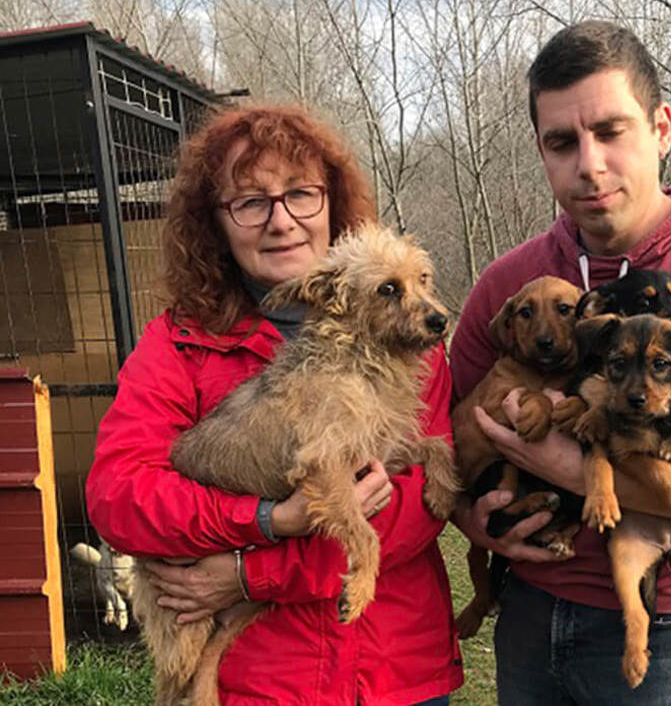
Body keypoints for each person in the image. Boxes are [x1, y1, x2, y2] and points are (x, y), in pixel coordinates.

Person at [450, 20, 671, 705]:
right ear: (541, 150)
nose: (589, 164)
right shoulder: (511, 284)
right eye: (563, 142)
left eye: (610, 131)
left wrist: (573, 468)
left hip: (665, 630)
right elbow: (440, 431)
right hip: (526, 616)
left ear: (662, 128)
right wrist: (471, 519)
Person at [86, 104, 462, 705]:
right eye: (250, 202)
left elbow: (416, 511)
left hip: (394, 670)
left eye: (301, 194)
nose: (281, 221)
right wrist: (265, 519)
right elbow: (119, 497)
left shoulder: (411, 346)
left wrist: (246, 574)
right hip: (261, 683)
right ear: (216, 222)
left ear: (332, 202)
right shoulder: (179, 343)